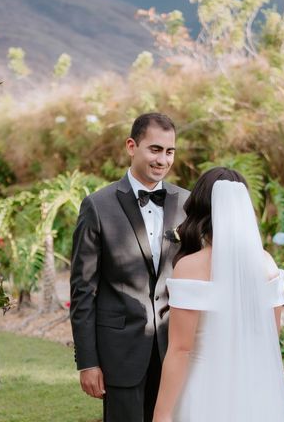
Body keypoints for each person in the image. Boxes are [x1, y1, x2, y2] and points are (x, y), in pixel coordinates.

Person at [70, 113, 190, 422]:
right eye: (155, 149)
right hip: (119, 353)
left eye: (169, 151)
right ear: (131, 146)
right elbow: (83, 289)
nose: (162, 159)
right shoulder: (98, 206)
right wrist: (87, 362)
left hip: (174, 349)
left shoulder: (187, 203)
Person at [152, 167, 284, 422]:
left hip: (203, 392)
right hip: (253, 393)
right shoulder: (267, 264)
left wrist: (162, 413)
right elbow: (270, 340)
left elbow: (181, 349)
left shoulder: (190, 267)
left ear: (200, 210)